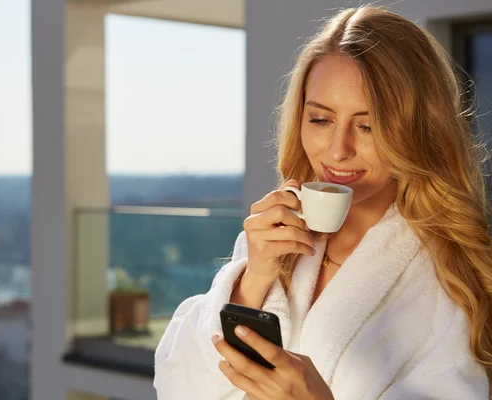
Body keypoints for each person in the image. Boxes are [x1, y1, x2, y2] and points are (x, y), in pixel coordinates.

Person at [154, 5, 492, 400]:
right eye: (320, 120)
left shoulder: (451, 277)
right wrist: (251, 281)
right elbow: (178, 383)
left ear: (417, 132)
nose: (338, 150)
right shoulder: (274, 238)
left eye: (368, 126)